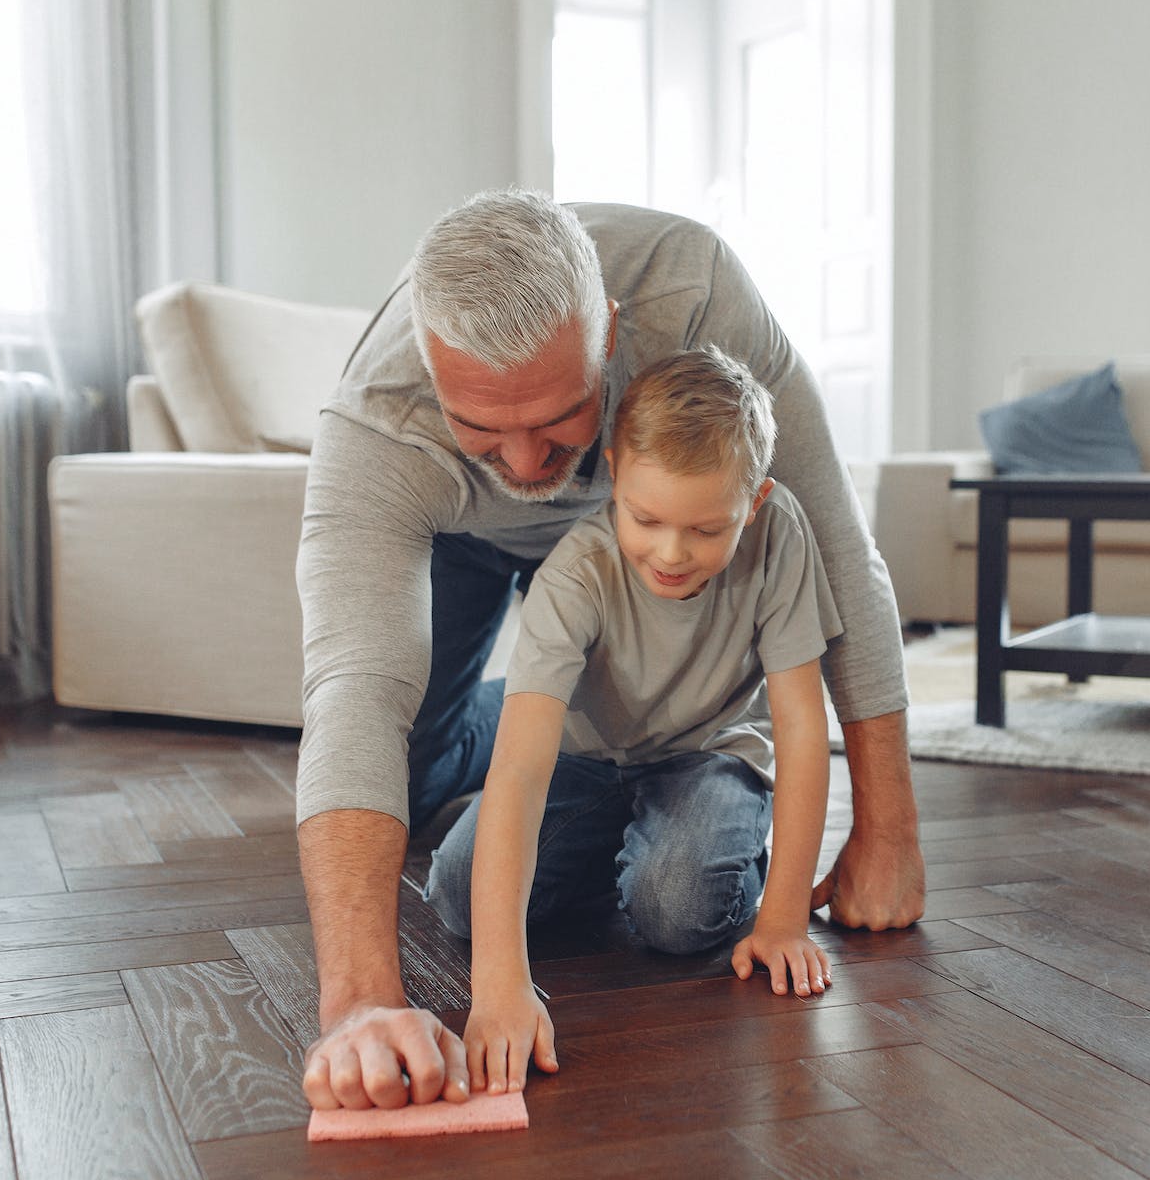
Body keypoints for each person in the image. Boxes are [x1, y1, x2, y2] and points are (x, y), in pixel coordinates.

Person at [295, 188, 923, 1113]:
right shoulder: (375, 427)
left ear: (614, 337)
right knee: (409, 767)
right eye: (481, 425)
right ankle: (507, 710)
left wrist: (889, 832)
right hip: (464, 538)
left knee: (674, 883)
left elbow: (837, 549)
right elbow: (352, 687)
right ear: (432, 376)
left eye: (556, 415)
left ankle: (594, 726)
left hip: (634, 522)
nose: (521, 461)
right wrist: (359, 1005)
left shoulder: (695, 295)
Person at [423, 348, 837, 1095]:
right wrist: (500, 985)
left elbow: (803, 728)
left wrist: (782, 918)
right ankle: (619, 850)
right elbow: (518, 771)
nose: (672, 553)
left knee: (677, 915)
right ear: (614, 474)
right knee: (456, 894)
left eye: (708, 530)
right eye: (646, 519)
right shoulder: (577, 575)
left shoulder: (781, 537)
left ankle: (712, 854)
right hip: (585, 762)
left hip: (707, 756)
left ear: (756, 500)